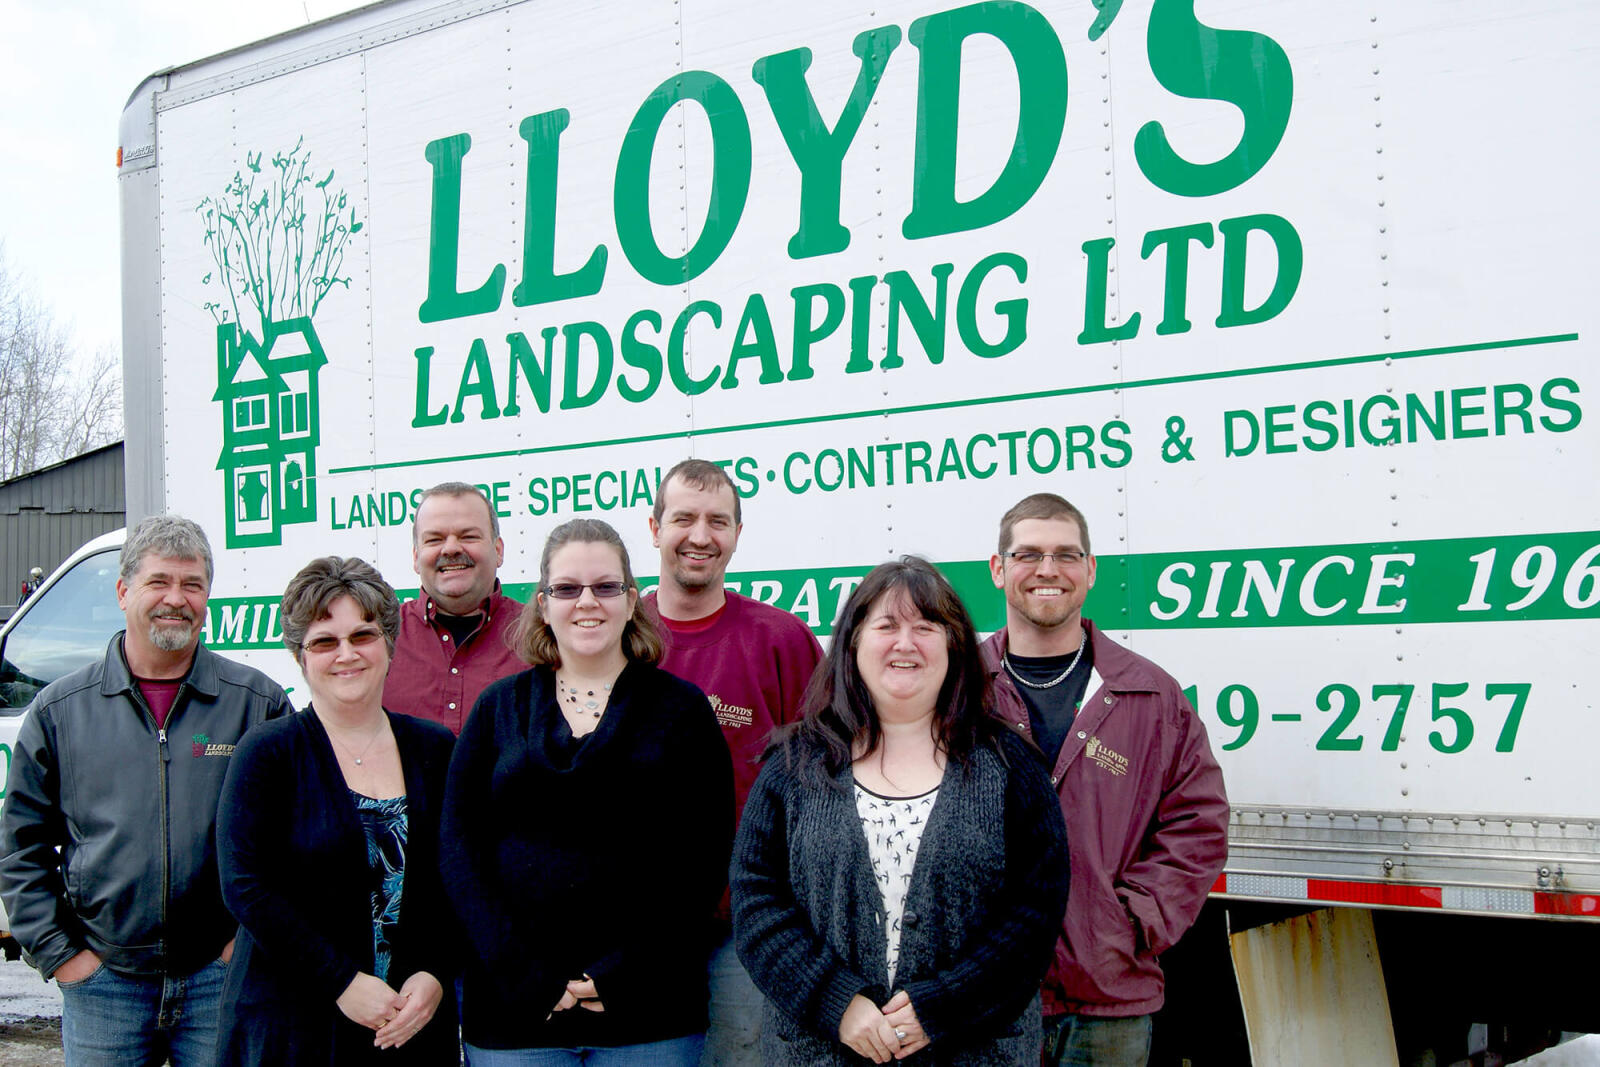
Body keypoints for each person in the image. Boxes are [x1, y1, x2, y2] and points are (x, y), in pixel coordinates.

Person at [732, 556, 1071, 1065]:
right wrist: (837, 1003)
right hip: (819, 1051)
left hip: (973, 1052)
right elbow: (757, 901)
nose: (905, 643)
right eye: (886, 625)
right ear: (853, 642)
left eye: (926, 626)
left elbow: (1035, 912)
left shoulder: (1010, 766)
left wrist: (942, 1006)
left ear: (955, 644)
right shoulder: (795, 767)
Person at [0, 515, 292, 1064]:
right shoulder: (61, 711)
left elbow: (289, 841)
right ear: (123, 590)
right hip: (103, 985)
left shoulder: (257, 703)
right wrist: (63, 956)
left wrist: (244, 947)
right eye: (159, 582)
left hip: (218, 980)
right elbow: (21, 848)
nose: (175, 599)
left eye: (192, 584)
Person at [441, 517, 733, 1065]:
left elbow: (703, 861)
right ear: (544, 604)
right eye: (567, 589)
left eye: (605, 587)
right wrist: (522, 971)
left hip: (650, 1015)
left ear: (630, 599)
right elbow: (460, 852)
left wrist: (624, 973)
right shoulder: (497, 709)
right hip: (515, 1014)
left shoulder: (682, 711)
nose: (587, 603)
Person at [980, 493, 1228, 1066]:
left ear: (1090, 571)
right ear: (998, 569)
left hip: (1108, 997)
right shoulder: (962, 689)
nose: (1048, 570)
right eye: (1028, 554)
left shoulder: (1149, 694)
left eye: (1067, 555)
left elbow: (1199, 824)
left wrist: (1132, 921)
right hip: (983, 996)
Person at [215, 556, 458, 1063]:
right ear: (301, 656)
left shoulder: (434, 750)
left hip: (409, 1027)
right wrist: (342, 981)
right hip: (294, 1027)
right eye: (324, 641)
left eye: (363, 636)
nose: (346, 654)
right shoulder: (267, 753)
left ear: (389, 645)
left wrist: (435, 973)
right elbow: (245, 885)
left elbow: (457, 879)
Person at [644, 458, 823, 1067]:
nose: (700, 536)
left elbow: (824, 779)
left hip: (744, 926)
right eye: (684, 519)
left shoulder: (781, 640)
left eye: (718, 521)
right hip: (630, 928)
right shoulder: (615, 632)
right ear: (654, 527)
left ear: (738, 534)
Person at [385, 481, 524, 734]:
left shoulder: (541, 635)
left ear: (498, 550)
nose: (450, 549)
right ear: (416, 558)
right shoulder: (380, 641)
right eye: (434, 539)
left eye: (468, 536)